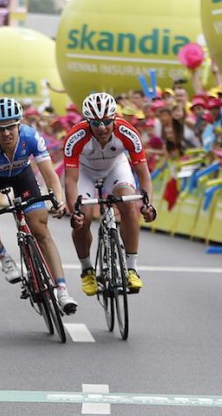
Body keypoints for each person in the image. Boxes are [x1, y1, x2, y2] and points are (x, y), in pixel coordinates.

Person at [0, 97, 78, 314]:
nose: (7, 133)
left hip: (22, 176)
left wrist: (58, 200)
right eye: (1, 129)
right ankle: (4, 257)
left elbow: (50, 176)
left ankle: (62, 291)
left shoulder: (31, 136)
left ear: (18, 124)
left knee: (41, 230)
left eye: (11, 127)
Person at [63, 92, 157, 296]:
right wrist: (74, 211)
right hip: (85, 172)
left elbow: (144, 174)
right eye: (95, 123)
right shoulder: (75, 137)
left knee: (129, 205)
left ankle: (131, 269)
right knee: (84, 217)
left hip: (116, 167)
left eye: (107, 121)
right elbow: (70, 180)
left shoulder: (127, 132)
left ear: (114, 118)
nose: (102, 127)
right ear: (88, 121)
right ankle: (87, 269)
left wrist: (148, 204)